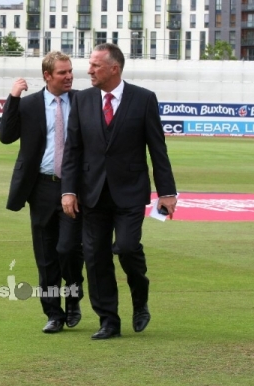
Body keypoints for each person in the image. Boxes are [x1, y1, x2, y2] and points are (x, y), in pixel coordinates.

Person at [61, 43, 177, 340]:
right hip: (92, 192)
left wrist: (167, 192)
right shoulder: (82, 100)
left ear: (114, 68)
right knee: (95, 257)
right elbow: (73, 150)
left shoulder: (143, 99)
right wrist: (68, 190)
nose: (89, 71)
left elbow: (157, 148)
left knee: (126, 247)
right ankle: (108, 320)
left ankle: (140, 297)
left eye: (95, 66)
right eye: (90, 65)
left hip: (130, 191)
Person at [0, 51, 84, 334]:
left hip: (74, 187)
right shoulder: (30, 105)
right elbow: (6, 136)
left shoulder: (83, 101)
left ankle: (73, 299)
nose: (69, 76)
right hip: (42, 187)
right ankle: (53, 313)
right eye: (63, 72)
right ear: (47, 76)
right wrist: (13, 98)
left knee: (69, 249)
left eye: (70, 71)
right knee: (46, 253)